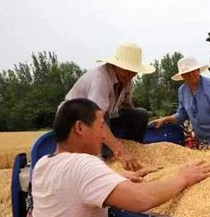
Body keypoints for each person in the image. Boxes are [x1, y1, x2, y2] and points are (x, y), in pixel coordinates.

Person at [32, 98, 210, 217]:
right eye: (101, 126)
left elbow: (72, 186)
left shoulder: (44, 163)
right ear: (80, 128)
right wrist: (182, 178)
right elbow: (142, 199)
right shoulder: (82, 165)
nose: (103, 136)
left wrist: (116, 177)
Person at [60, 42, 154, 170]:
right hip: (75, 119)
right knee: (103, 115)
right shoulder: (101, 79)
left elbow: (127, 106)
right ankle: (107, 159)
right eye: (127, 70)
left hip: (102, 118)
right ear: (116, 65)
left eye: (134, 71)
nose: (131, 74)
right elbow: (96, 117)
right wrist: (121, 152)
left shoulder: (127, 82)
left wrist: (139, 122)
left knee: (140, 114)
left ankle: (134, 150)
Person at [149, 56, 210, 147]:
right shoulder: (182, 91)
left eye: (193, 71)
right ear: (182, 76)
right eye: (187, 73)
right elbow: (181, 115)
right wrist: (164, 119)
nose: (192, 75)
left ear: (198, 70)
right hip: (202, 140)